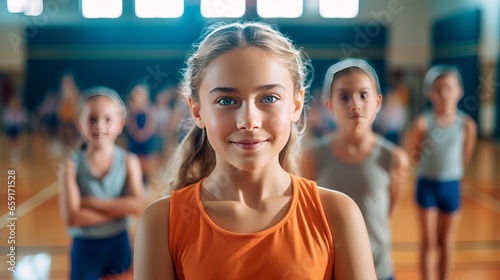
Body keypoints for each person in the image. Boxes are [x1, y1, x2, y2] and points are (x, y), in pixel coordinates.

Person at [134, 22, 376, 279]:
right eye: (226, 100)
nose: (249, 120)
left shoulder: (337, 214)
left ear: (296, 105)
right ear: (197, 110)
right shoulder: (161, 223)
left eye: (268, 98)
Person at [303, 59, 409, 280]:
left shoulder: (395, 159)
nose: (355, 104)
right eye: (343, 96)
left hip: (378, 268)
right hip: (327, 269)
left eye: (363, 94)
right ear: (329, 105)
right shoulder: (311, 156)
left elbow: (386, 213)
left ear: (378, 102)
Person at [58, 87, 144, 280]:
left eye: (108, 119)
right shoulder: (70, 164)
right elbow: (72, 218)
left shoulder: (129, 162)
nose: (100, 125)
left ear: (120, 124)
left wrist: (88, 203)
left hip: (118, 243)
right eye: (92, 119)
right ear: (80, 124)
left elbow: (137, 205)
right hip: (84, 246)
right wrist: (119, 212)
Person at [409, 65, 477, 280]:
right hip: (426, 186)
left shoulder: (467, 126)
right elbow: (415, 155)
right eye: (438, 88)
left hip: (451, 187)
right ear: (430, 93)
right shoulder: (422, 123)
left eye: (449, 88)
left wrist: (453, 172)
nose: (444, 93)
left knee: (447, 241)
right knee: (429, 241)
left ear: (459, 91)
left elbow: (464, 157)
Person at [2, 96, 28, 163]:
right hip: (10, 127)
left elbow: (24, 119)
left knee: (17, 138)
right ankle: (13, 151)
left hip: (18, 128)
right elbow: (5, 121)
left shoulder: (21, 111)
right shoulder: (7, 111)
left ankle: (16, 151)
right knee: (11, 139)